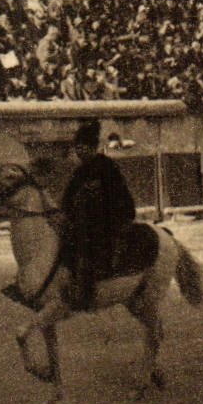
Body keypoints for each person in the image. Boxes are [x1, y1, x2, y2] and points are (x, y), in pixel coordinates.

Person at [61, 119, 137, 310]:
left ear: (93, 148)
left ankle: (88, 292)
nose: (79, 151)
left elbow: (117, 196)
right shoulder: (80, 171)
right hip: (89, 220)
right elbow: (68, 198)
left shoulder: (106, 166)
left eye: (83, 147)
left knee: (89, 245)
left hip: (111, 218)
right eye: (77, 147)